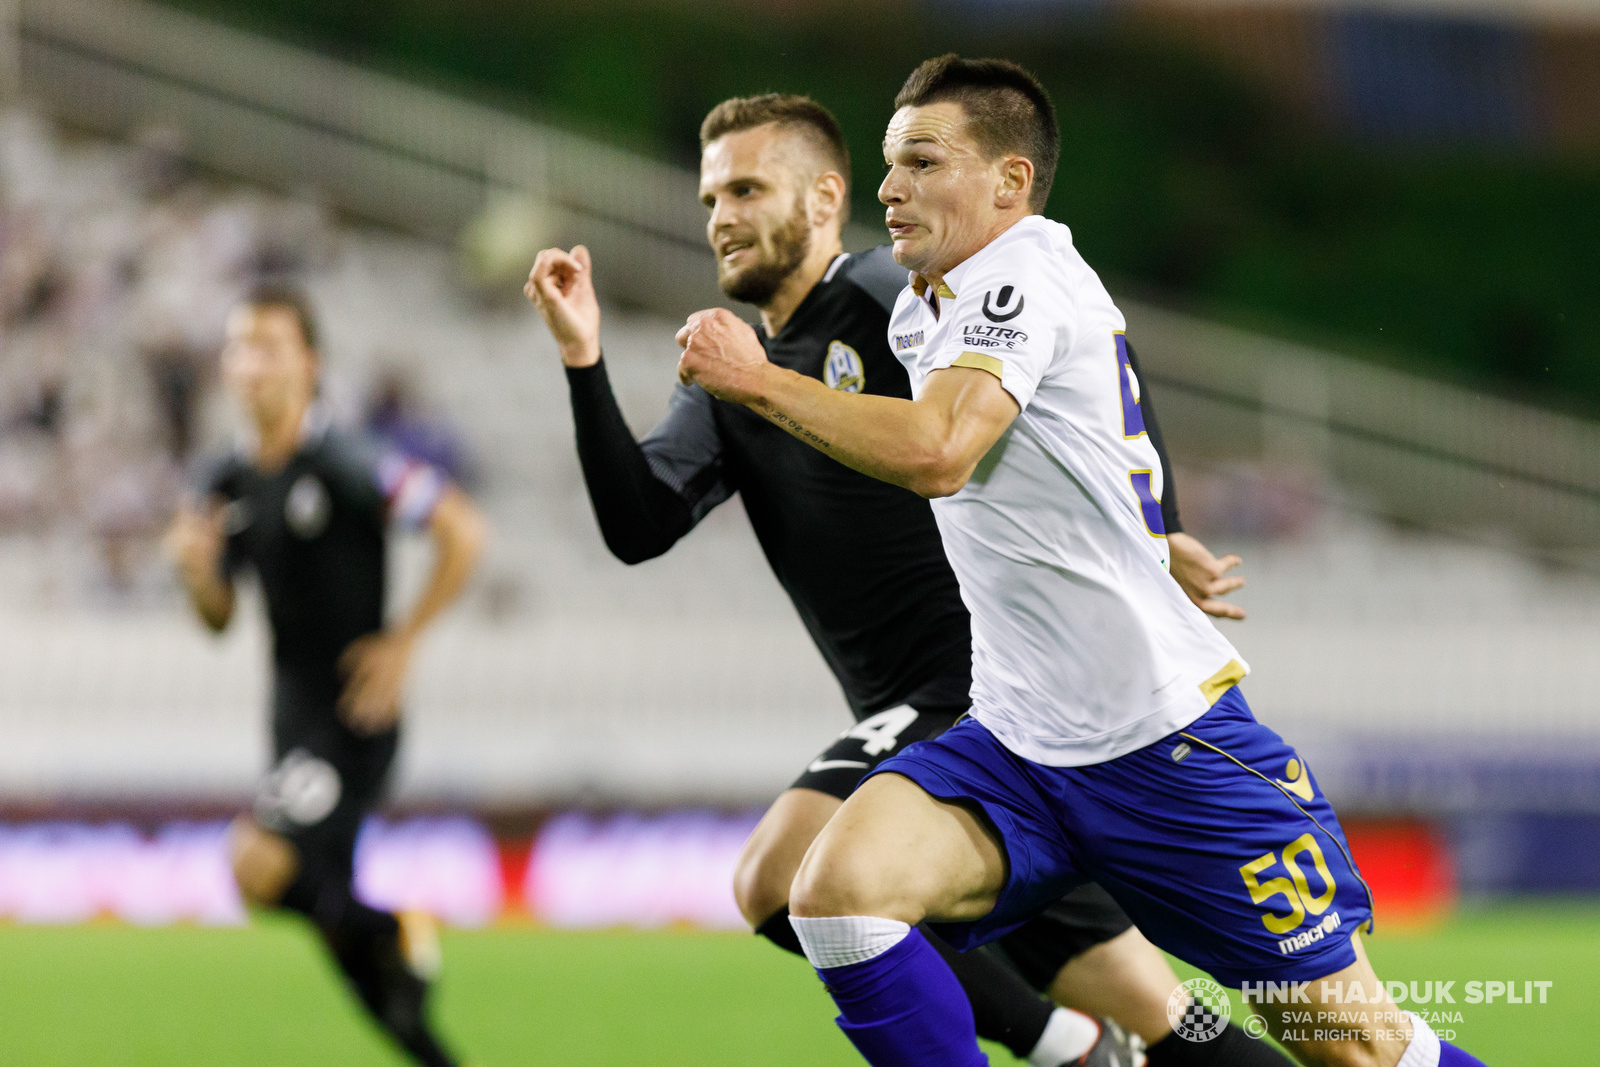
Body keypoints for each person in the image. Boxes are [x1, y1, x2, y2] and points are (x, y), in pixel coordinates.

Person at [674, 58, 1489, 1067]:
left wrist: (756, 383)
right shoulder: (925, 307)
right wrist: (1146, 531)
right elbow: (1064, 433)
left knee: (1354, 1045)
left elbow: (938, 451)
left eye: (922, 162)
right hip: (1017, 741)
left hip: (1164, 748)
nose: (890, 188)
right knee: (834, 893)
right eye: (888, 165)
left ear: (1010, 182)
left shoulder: (1023, 273)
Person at [528, 94, 1280, 1067]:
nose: (720, 213)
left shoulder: (893, 295)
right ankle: (1084, 1043)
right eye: (711, 194)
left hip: (968, 688)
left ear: (825, 195)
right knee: (1166, 1014)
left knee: (778, 874)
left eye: (748, 187)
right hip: (953, 728)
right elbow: (638, 527)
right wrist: (582, 357)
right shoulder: (732, 375)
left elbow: (1067, 361)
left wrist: (1157, 523)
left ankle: (1062, 1044)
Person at [166, 285, 486, 1067]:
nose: (253, 363)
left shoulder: (348, 458)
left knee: (255, 864)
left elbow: (462, 531)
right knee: (359, 973)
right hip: (289, 721)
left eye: (271, 345)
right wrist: (198, 576)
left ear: (309, 363)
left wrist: (403, 643)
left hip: (354, 716)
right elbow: (217, 620)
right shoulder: (225, 480)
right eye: (241, 347)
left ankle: (396, 927)